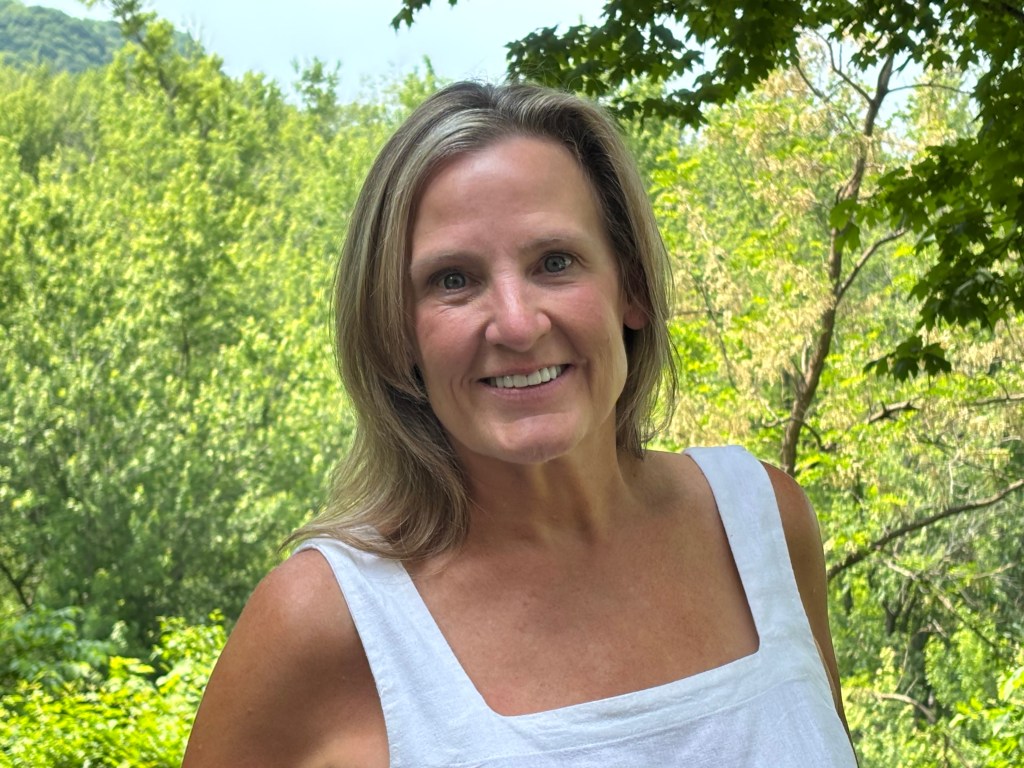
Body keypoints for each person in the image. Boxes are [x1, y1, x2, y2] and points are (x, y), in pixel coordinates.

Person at [183, 81, 859, 767]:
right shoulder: (326, 621)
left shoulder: (763, 525)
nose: (516, 324)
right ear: (395, 328)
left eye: (554, 263)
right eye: (453, 280)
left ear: (630, 287)